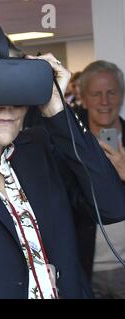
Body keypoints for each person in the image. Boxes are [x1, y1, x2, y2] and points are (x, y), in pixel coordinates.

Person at [0, 25, 125, 299]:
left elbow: (112, 206)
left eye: (15, 84)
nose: (5, 104)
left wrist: (56, 108)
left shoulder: (39, 151)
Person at [73, 60, 125, 298]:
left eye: (111, 92)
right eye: (96, 94)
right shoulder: (71, 147)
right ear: (83, 98)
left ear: (121, 95)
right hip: (84, 267)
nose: (104, 102)